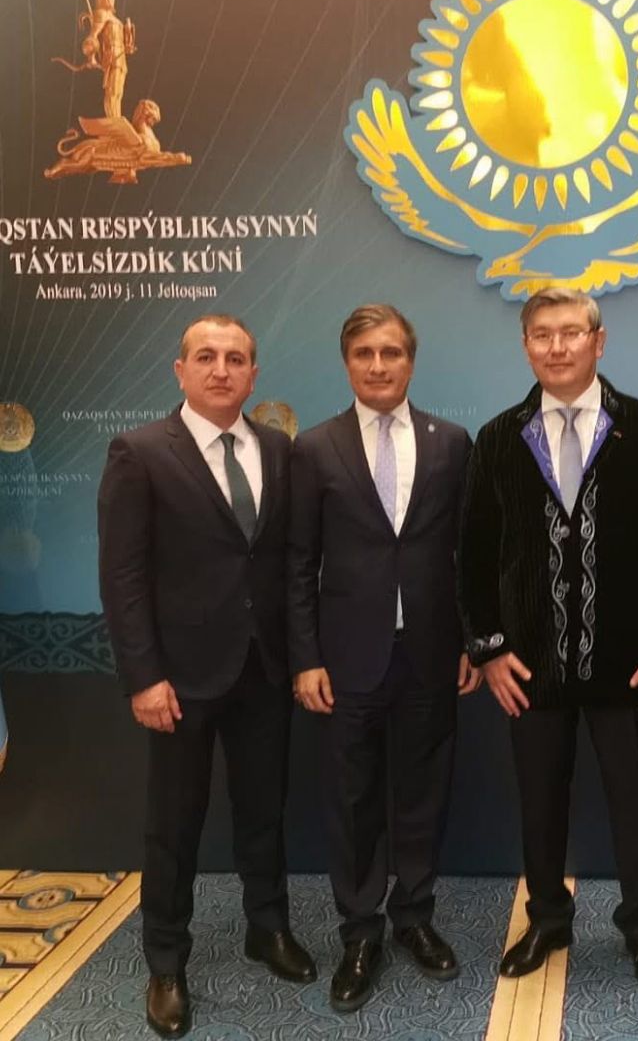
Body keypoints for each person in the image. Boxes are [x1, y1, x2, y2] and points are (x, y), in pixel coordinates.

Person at [458, 287, 638, 992]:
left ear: (599, 341)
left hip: (627, 665)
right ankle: (547, 919)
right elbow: (474, 554)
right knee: (539, 801)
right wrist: (489, 648)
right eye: (542, 334)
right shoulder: (499, 438)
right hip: (529, 664)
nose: (557, 346)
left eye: (571, 332)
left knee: (635, 802)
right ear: (526, 346)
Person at [98, 316, 314, 1040]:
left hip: (264, 669)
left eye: (236, 359)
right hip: (180, 679)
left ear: (254, 375)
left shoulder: (278, 450)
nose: (221, 369)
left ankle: (268, 928)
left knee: (264, 809)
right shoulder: (139, 453)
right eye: (206, 357)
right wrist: (143, 676)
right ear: (180, 370)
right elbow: (123, 575)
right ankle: (166, 961)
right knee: (174, 823)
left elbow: (283, 563)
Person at [287, 304, 477, 1013]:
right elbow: (297, 563)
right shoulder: (314, 448)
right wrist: (305, 657)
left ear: (411, 362)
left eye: (391, 352)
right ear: (347, 363)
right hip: (345, 659)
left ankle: (415, 917)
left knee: (424, 794)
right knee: (353, 799)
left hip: (430, 653)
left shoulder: (451, 443)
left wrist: (471, 642)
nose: (378, 365)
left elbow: (468, 556)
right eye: (364, 353)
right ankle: (361, 931)